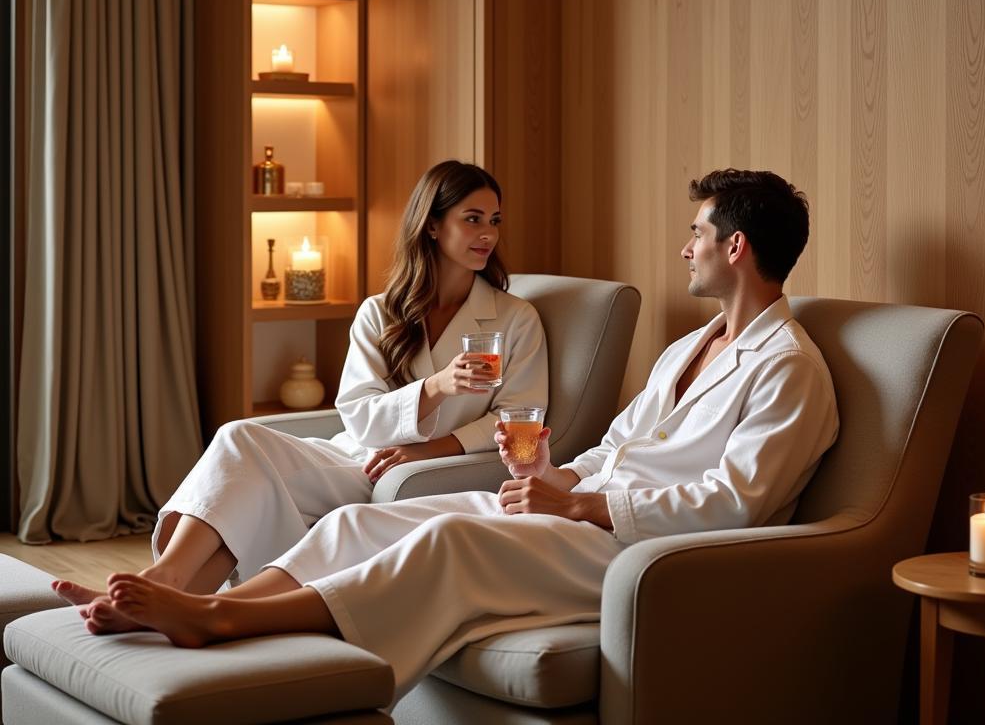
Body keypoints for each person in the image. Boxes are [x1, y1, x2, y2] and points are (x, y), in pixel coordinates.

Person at [97, 168, 839, 704]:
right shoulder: (689, 348)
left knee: (448, 542)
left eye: (697, 233)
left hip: (640, 549)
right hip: (581, 513)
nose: (686, 249)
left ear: (735, 247)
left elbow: (739, 502)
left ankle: (225, 617)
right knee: (361, 520)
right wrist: (563, 480)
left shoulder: (789, 369)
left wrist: (587, 506)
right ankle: (206, 604)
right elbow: (615, 446)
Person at [54, 160, 548, 631]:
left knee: (241, 451)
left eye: (495, 220)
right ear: (433, 226)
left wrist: (427, 449)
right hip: (358, 453)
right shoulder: (381, 312)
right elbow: (356, 416)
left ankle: (156, 589)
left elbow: (520, 416)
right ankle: (166, 599)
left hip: (406, 471)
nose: (488, 233)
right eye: (472, 219)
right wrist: (437, 387)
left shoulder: (515, 318)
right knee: (241, 452)